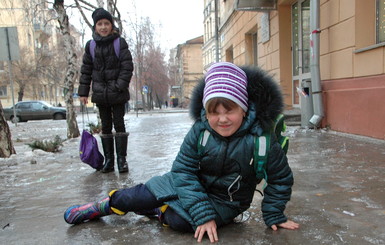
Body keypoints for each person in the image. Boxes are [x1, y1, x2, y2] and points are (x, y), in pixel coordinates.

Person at [65, 62, 299, 243]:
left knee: (180, 222)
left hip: (225, 202)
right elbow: (183, 170)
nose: (222, 119)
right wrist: (200, 211)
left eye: (230, 110)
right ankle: (103, 206)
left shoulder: (262, 141)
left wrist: (274, 215)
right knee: (134, 196)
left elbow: (280, 179)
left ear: (244, 108)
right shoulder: (200, 132)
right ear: (205, 112)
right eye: (214, 112)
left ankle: (159, 209)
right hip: (184, 184)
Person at [78, 8, 134, 173]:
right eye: (100, 24)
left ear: (111, 25)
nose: (103, 27)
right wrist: (83, 92)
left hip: (117, 94)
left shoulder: (119, 43)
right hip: (100, 94)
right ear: (95, 27)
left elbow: (127, 67)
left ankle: (122, 160)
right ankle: (109, 161)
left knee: (119, 124)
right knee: (106, 126)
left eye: (106, 23)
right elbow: (86, 70)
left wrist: (119, 86)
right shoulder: (91, 46)